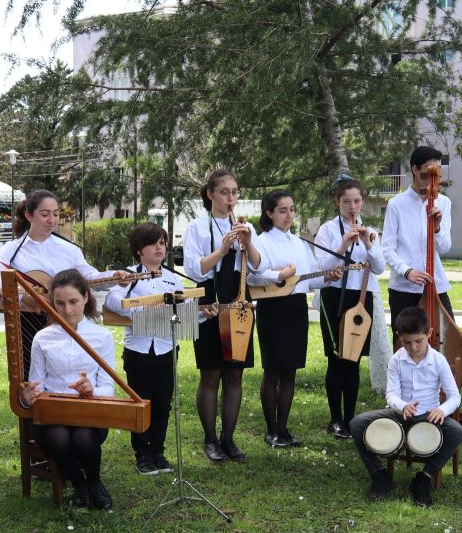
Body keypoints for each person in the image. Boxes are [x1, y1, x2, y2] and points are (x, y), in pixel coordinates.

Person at [0, 189, 125, 377]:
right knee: (30, 375)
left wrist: (114, 276)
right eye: (45, 214)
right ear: (29, 215)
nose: (52, 220)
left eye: (56, 214)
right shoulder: (12, 249)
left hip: (65, 317)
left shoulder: (69, 249)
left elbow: (88, 277)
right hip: (27, 321)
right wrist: (25, 296)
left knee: (66, 370)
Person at [249, 190, 343, 448]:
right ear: (269, 213)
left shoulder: (299, 243)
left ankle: (283, 428)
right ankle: (271, 430)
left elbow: (309, 278)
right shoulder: (261, 242)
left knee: (290, 371)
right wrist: (279, 275)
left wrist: (328, 277)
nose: (289, 215)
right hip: (272, 309)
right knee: (273, 371)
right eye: (282, 210)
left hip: (296, 308)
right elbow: (253, 277)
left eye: (291, 209)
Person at [20, 270, 117, 509]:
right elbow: (36, 384)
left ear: (86, 297)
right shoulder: (42, 338)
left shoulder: (102, 336)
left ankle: (94, 483)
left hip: (90, 413)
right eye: (59, 303)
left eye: (73, 301)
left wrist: (91, 391)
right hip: (53, 416)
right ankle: (79, 485)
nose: (67, 310)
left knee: (84, 436)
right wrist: (28, 397)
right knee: (59, 437)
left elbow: (108, 388)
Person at [183, 170, 262, 463]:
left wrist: (247, 243)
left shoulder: (245, 226)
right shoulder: (197, 227)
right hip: (209, 300)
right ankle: (210, 439)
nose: (231, 198)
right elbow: (194, 269)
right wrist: (223, 249)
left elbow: (257, 265)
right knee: (211, 372)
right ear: (210, 194)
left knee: (234, 373)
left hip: (239, 296)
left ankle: (228, 438)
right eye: (224, 192)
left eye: (235, 192)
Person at [348, 308, 462, 506]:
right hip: (399, 414)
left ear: (429, 333)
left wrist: (441, 410)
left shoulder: (439, 360)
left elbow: (454, 396)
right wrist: (403, 407)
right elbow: (391, 394)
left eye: (418, 341)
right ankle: (380, 477)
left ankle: (423, 479)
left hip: (429, 415)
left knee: (456, 431)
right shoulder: (396, 360)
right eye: (407, 342)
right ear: (399, 336)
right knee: (357, 424)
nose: (413, 347)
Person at [104, 223, 182, 475]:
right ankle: (142, 454)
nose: (159, 248)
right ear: (139, 249)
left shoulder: (173, 278)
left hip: (167, 347)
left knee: (163, 403)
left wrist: (204, 313)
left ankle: (158, 451)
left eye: (163, 243)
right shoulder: (129, 276)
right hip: (139, 350)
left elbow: (184, 308)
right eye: (153, 243)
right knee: (141, 403)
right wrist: (141, 311)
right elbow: (112, 300)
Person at [313, 174, 386, 439]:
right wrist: (344, 243)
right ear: (337, 202)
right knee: (336, 360)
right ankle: (335, 419)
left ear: (362, 202)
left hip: (362, 297)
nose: (352, 207)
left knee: (353, 360)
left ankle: (350, 418)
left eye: (356, 201)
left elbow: (379, 268)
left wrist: (368, 243)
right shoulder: (327, 230)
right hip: (334, 296)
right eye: (346, 202)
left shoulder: (371, 231)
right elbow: (322, 266)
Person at [382, 146, 455, 334]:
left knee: (446, 337)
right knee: (404, 340)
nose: (432, 179)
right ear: (415, 169)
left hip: (436, 284)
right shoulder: (396, 204)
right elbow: (387, 249)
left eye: (437, 174)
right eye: (428, 173)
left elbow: (445, 247)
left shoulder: (443, 203)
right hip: (404, 288)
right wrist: (407, 272)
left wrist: (436, 228)